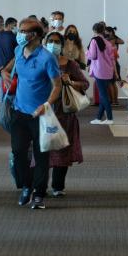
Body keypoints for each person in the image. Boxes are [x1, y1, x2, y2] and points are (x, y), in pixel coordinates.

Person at [0, 19, 62, 209]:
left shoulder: (47, 58)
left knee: (41, 155)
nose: (19, 34)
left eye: (23, 31)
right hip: (19, 112)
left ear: (34, 35)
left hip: (40, 114)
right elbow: (8, 67)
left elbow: (57, 85)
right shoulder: (18, 51)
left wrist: (47, 104)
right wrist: (3, 72)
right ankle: (26, 186)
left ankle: (39, 194)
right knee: (18, 152)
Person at [45, 31, 88, 197]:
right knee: (41, 149)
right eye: (50, 41)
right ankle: (39, 184)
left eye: (57, 42)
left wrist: (70, 81)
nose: (53, 44)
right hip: (45, 110)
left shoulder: (70, 64)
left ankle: (58, 186)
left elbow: (84, 84)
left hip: (64, 113)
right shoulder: (40, 62)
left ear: (62, 45)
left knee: (62, 149)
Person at [87, 22, 117, 125]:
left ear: (94, 31)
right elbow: (112, 58)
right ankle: (99, 118)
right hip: (108, 71)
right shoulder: (108, 43)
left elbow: (92, 56)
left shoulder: (94, 41)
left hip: (99, 71)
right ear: (103, 30)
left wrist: (86, 53)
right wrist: (115, 72)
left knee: (103, 95)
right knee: (103, 94)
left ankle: (109, 118)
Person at [0, 17, 18, 92]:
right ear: (8, 25)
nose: (15, 28)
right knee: (12, 89)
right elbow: (18, 52)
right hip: (10, 67)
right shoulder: (14, 37)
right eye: (14, 25)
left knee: (2, 90)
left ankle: (3, 103)